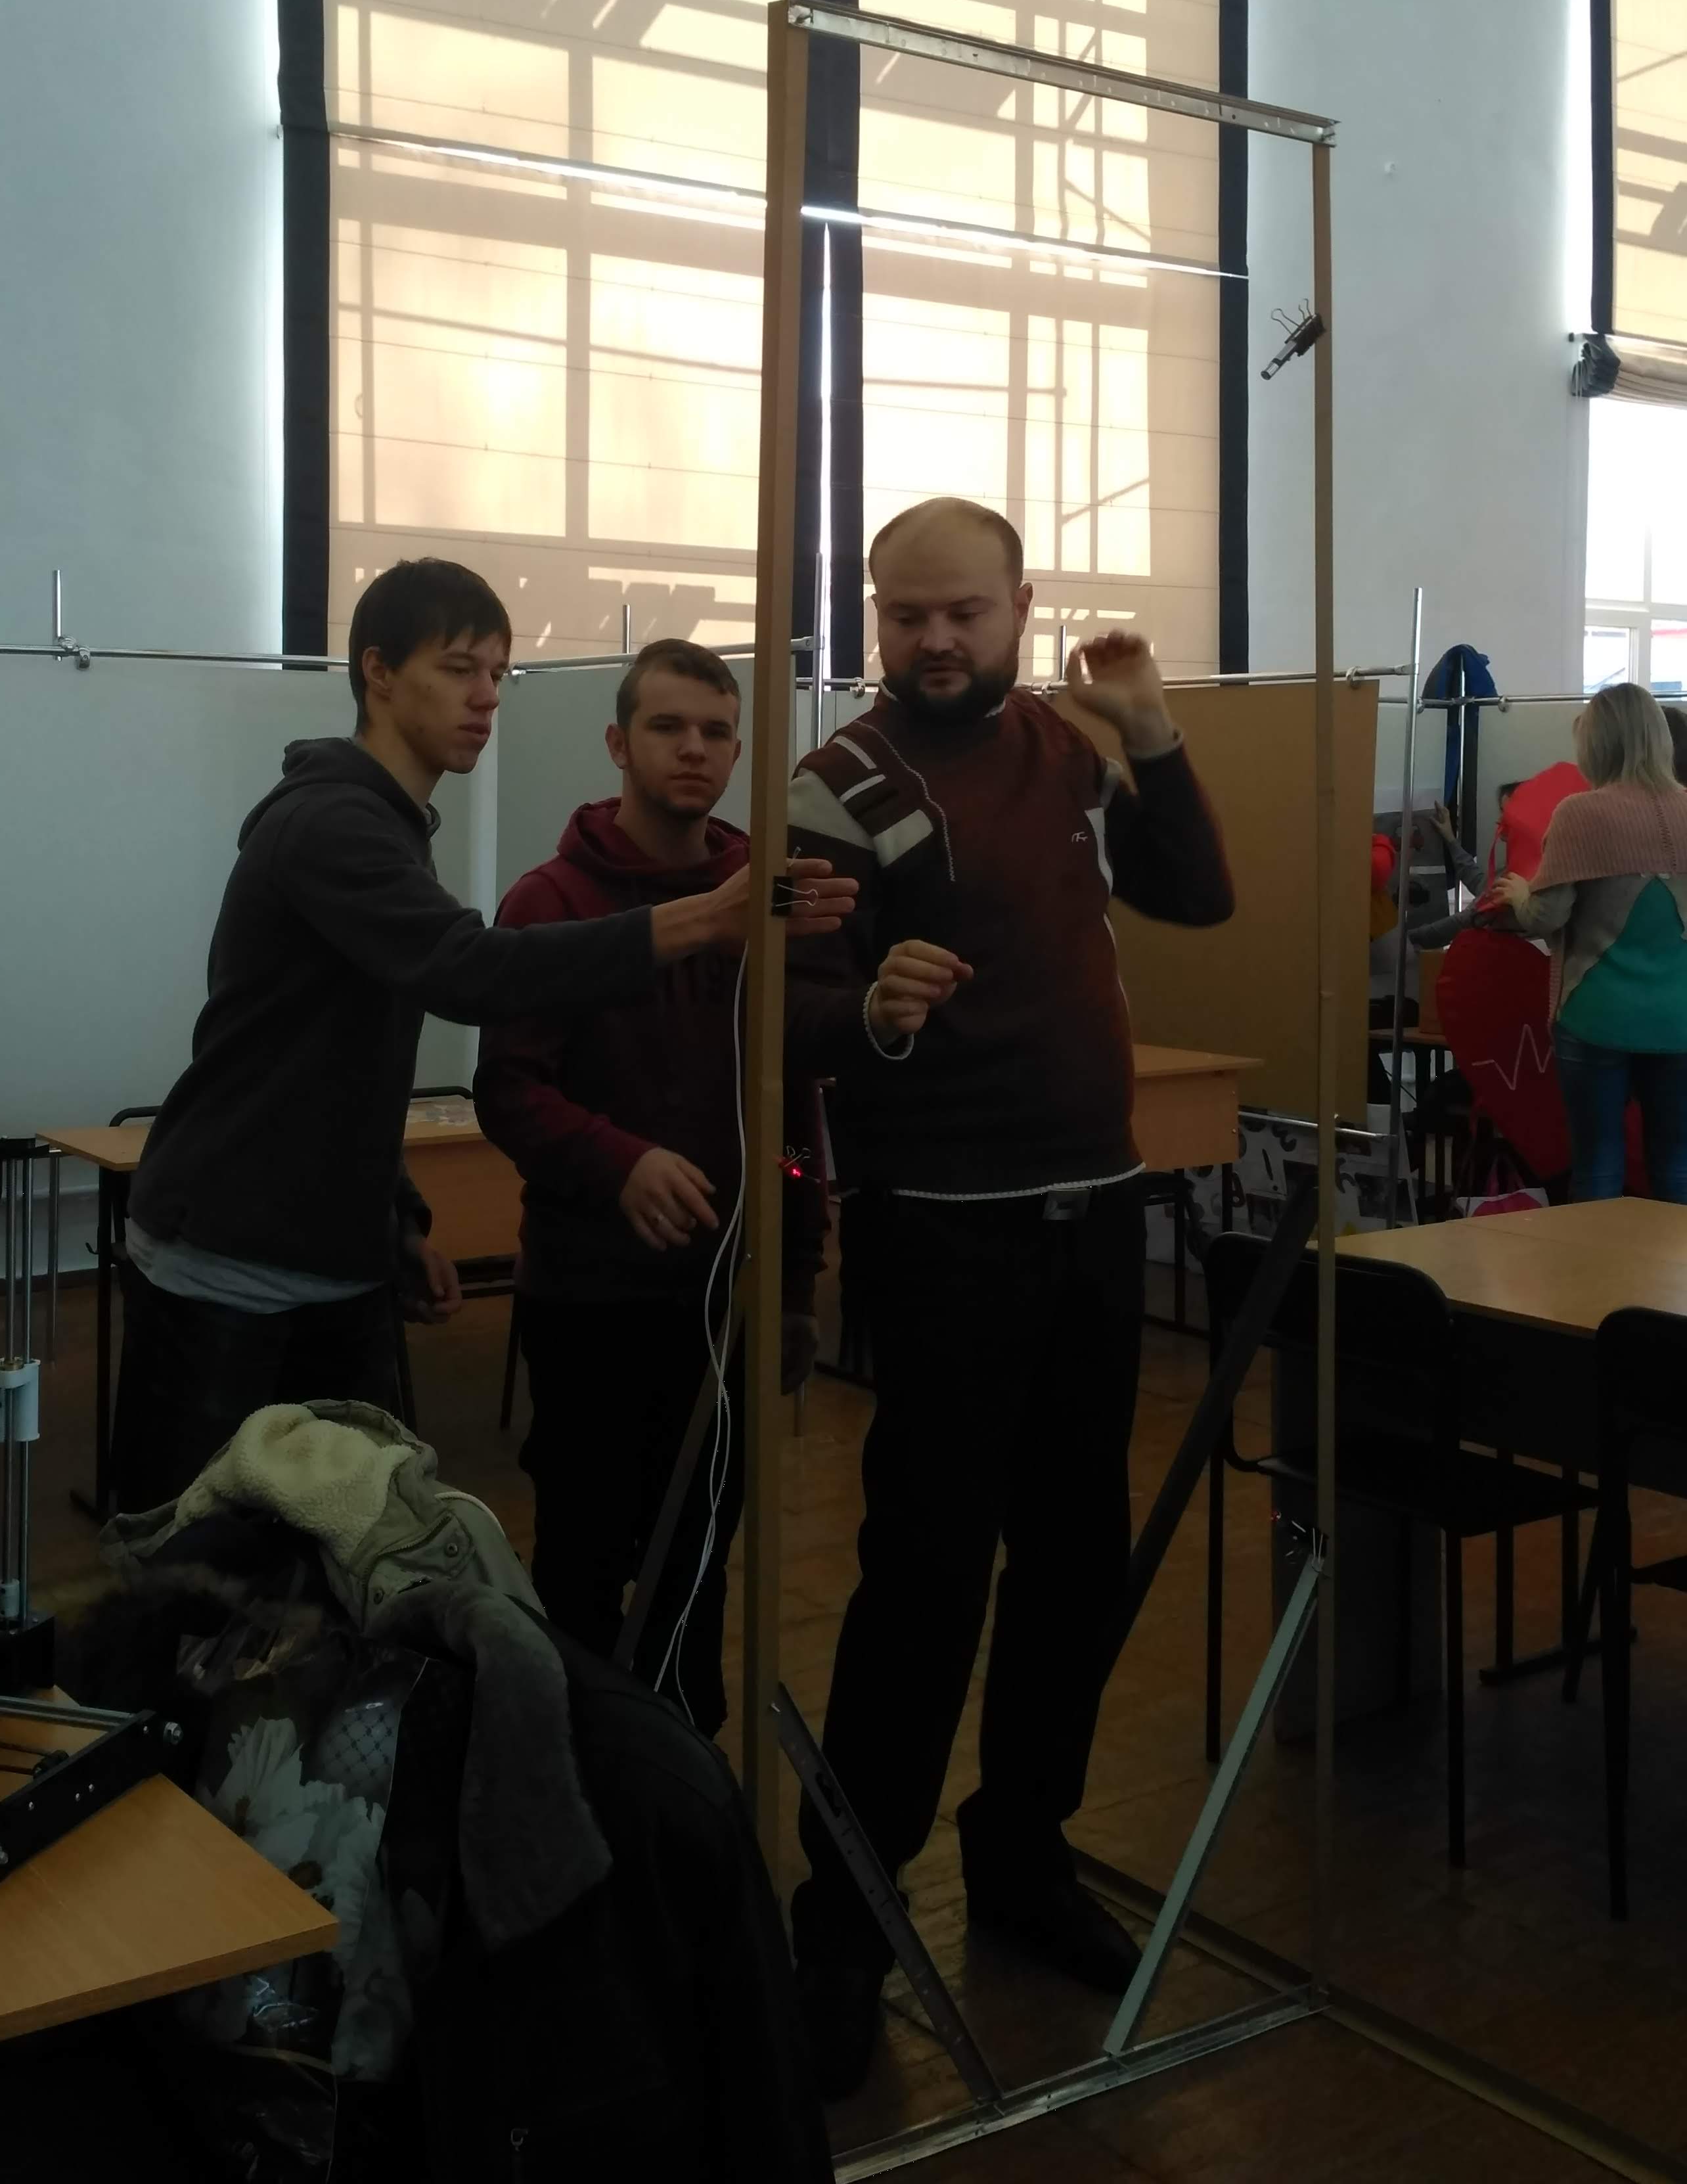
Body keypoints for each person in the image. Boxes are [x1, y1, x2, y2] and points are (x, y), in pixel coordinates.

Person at [781, 497, 1234, 2098]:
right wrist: (875, 1012)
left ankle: (1023, 1853)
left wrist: (1156, 733)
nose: (932, 639)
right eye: (904, 613)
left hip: (1090, 1206)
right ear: (873, 614)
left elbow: (1196, 895)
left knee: (1072, 1562)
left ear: (1020, 605)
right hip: (941, 1229)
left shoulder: (1066, 747)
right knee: (922, 1576)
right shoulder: (835, 784)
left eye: (962, 611)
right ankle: (843, 1923)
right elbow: (788, 1007)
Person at [110, 561, 857, 1513]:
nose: (487, 697)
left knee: (345, 1551)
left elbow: (338, 1062)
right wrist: (702, 920)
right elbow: (471, 972)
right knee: (199, 1552)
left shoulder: (387, 826)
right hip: (236, 1259)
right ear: (379, 671)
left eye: (498, 674)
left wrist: (396, 1219)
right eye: (459, 668)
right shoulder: (331, 824)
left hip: (335, 1260)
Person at [474, 639, 961, 1737]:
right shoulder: (550, 902)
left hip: (727, 1301)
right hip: (592, 1302)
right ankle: (578, 1773)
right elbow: (510, 1090)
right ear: (618, 743)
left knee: (700, 1560)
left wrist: (794, 1284)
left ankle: (682, 1778)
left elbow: (792, 1102)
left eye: (715, 732)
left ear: (740, 752)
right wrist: (619, 1163)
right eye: (667, 727)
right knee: (586, 1561)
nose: (693, 750)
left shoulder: (770, 895)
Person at [1492, 683, 1687, 1204]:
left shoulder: (1581, 814)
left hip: (1596, 1015)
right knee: (1677, 1167)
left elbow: (1546, 917)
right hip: (1681, 1019)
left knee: (1598, 1167)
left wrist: (1521, 894)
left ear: (1598, 743)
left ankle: (1595, 1263)